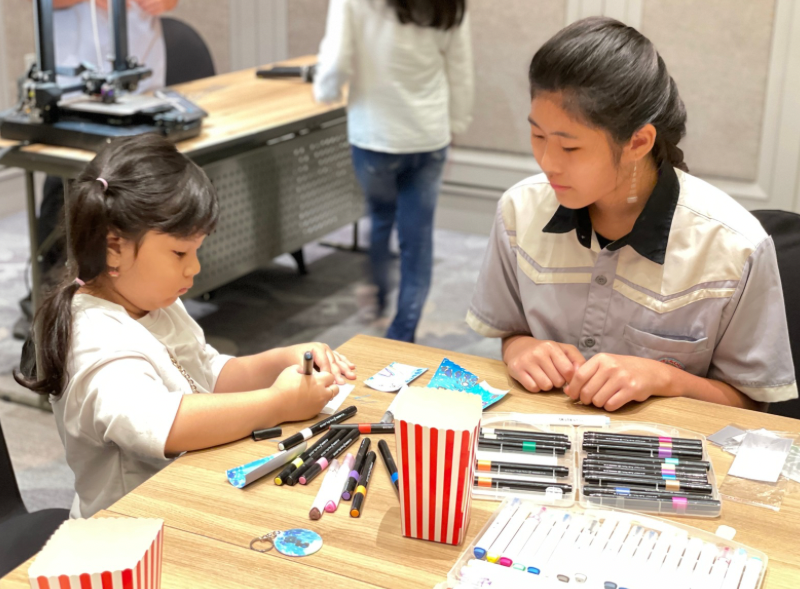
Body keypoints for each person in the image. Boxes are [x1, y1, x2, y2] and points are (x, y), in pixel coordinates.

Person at [14, 134, 357, 519]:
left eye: (196, 250)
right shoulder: (94, 341)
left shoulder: (151, 301)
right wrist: (277, 403)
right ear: (114, 247)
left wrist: (282, 359)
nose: (194, 268)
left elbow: (208, 372)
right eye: (179, 252)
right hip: (132, 535)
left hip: (188, 498)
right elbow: (166, 423)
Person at [467, 17, 796, 412]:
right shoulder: (519, 211)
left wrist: (665, 378)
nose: (547, 162)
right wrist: (520, 348)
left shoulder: (735, 246)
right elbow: (511, 329)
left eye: (570, 148)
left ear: (638, 141)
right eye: (538, 136)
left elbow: (751, 403)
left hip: (664, 458)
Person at [15, 0, 177, 340]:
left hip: (137, 71)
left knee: (134, 202)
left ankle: (133, 298)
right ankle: (49, 307)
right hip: (74, 84)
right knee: (69, 200)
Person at [314, 0, 474, 342]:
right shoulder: (450, 4)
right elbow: (460, 69)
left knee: (381, 219)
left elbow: (337, 60)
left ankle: (379, 295)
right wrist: (457, 122)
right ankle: (403, 331)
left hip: (375, 134)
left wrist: (322, 92)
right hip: (428, 135)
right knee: (418, 240)